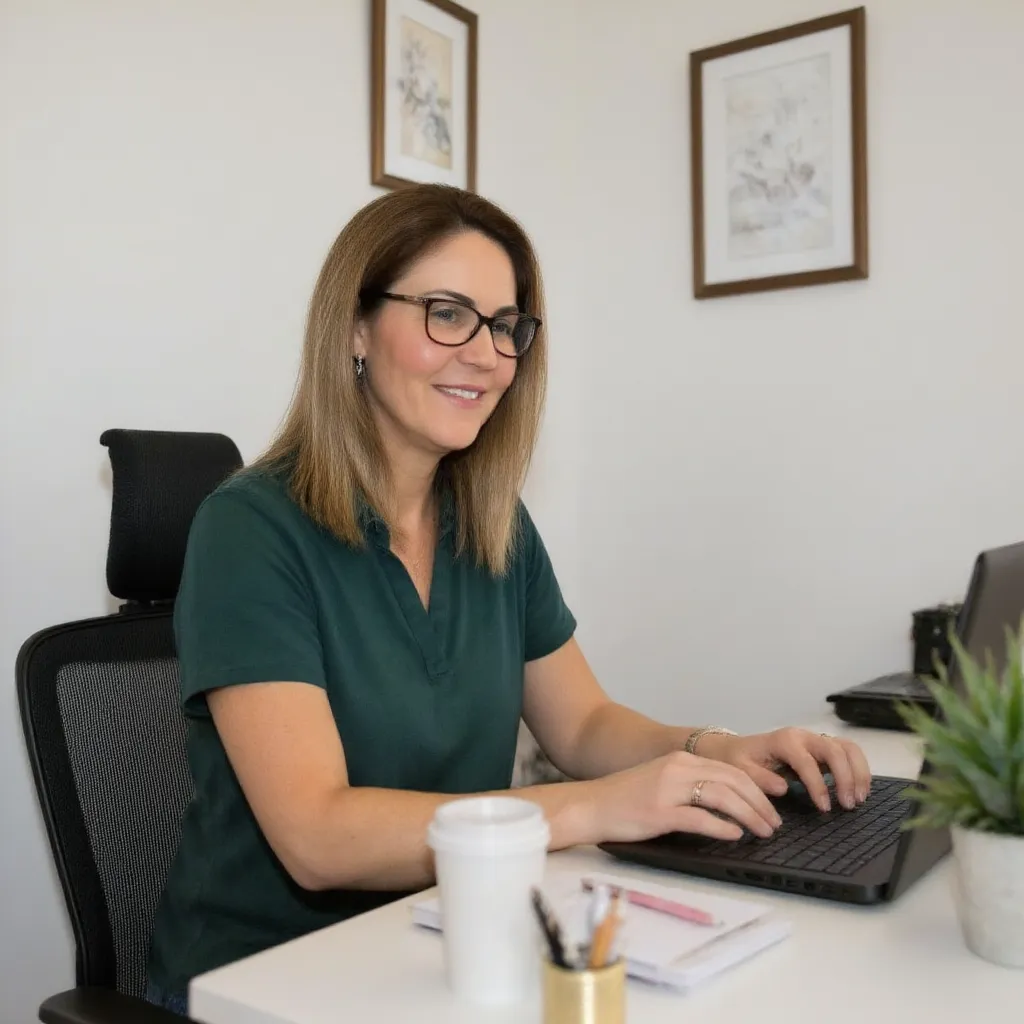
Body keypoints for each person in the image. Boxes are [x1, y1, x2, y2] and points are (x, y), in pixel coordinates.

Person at [145, 185, 871, 1013]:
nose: (487, 355)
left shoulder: (491, 522)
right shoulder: (251, 529)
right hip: (268, 983)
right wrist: (596, 808)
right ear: (354, 327)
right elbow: (319, 836)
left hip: (453, 939)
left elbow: (583, 726)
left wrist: (718, 751)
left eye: (504, 326)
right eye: (447, 314)